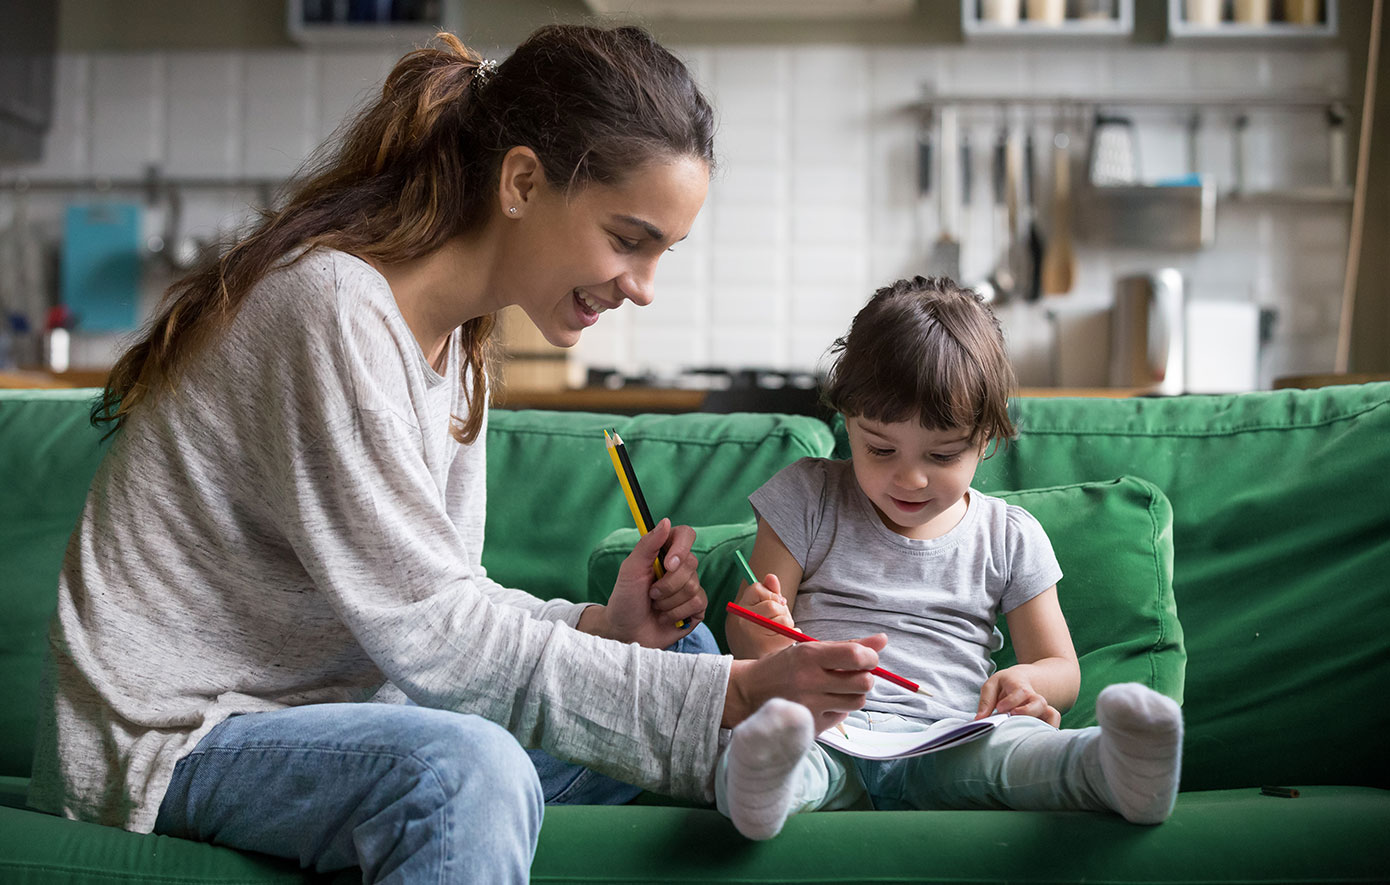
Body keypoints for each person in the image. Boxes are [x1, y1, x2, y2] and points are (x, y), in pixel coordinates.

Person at [27, 25, 891, 883]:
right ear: (521, 183)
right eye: (628, 238)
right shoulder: (333, 309)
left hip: (351, 714)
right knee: (468, 773)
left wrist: (604, 628)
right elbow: (434, 633)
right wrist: (735, 695)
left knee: (685, 658)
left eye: (662, 251)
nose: (643, 287)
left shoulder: (461, 346)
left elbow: (449, 598)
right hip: (179, 737)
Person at [717, 276, 1185, 840]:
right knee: (772, 741)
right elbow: (752, 641)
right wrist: (758, 631)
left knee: (1021, 752)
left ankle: (1111, 768)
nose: (910, 478)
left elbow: (1060, 667)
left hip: (950, 737)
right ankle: (759, 786)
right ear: (848, 420)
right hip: (824, 727)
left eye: (941, 455)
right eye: (880, 448)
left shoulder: (1009, 535)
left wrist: (1027, 680)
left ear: (985, 438)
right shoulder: (806, 496)